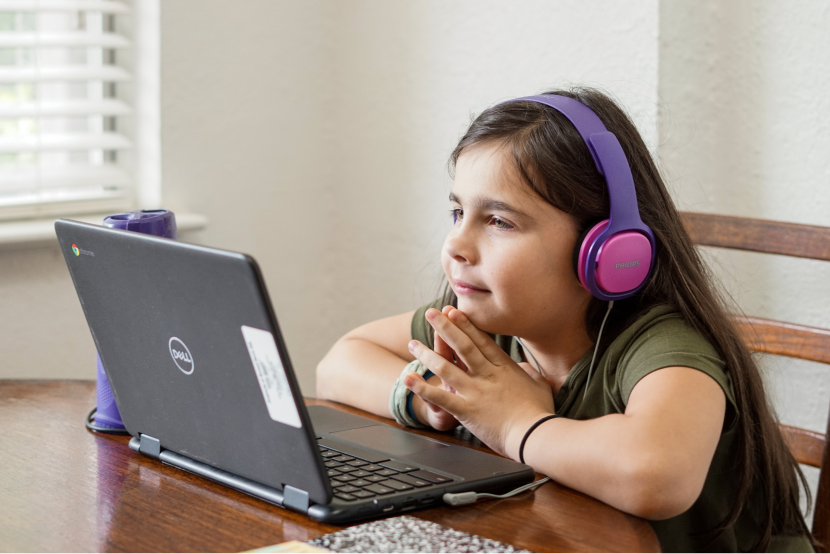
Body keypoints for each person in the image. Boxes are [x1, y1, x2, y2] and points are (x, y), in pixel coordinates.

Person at [316, 87, 814, 553]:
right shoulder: (483, 322)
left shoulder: (659, 345)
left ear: (606, 252)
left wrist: (515, 423)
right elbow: (339, 363)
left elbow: (657, 476)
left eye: (498, 221)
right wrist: (431, 403)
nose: (456, 246)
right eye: (457, 213)